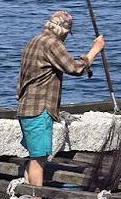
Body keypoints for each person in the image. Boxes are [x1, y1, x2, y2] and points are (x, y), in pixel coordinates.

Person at [16, 10, 106, 187]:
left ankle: (27, 195)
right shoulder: (52, 44)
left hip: (25, 107)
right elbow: (74, 68)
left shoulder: (33, 41)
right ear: (64, 31)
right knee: (39, 160)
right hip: (39, 110)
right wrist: (95, 50)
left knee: (34, 157)